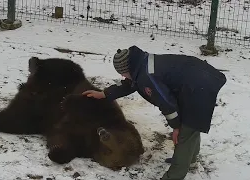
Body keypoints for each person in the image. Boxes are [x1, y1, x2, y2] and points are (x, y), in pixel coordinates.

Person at [82, 45, 226, 180]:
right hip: (196, 78)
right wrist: (104, 94)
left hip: (199, 86)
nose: (123, 77)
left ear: (127, 68)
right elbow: (130, 84)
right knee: (190, 129)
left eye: (123, 73)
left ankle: (174, 174)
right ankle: (190, 159)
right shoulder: (140, 65)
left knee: (185, 131)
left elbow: (167, 103)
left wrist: (176, 127)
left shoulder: (147, 76)